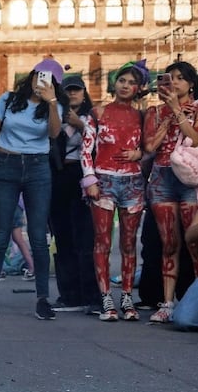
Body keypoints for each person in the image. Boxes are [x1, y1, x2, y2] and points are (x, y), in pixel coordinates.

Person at [0, 58, 65, 320]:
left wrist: (51, 102)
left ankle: (42, 300)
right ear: (32, 75)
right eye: (39, 75)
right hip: (6, 163)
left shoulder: (52, 106)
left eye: (48, 79)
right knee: (1, 234)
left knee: (38, 235)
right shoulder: (8, 99)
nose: (41, 81)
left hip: (37, 167)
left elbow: (54, 134)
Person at [80, 61, 148, 321]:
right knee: (103, 241)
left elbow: (150, 145)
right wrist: (90, 179)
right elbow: (85, 150)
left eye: (132, 82)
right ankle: (106, 297)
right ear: (114, 83)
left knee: (129, 243)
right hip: (104, 181)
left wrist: (140, 153)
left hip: (133, 182)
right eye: (122, 80)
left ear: (138, 88)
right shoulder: (97, 113)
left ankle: (127, 297)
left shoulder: (142, 115)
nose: (126, 86)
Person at [142, 60, 198, 323]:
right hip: (162, 178)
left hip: (188, 178)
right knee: (169, 243)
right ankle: (166, 303)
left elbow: (196, 138)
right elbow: (150, 146)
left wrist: (177, 110)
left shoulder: (196, 110)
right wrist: (168, 114)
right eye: (169, 77)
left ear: (191, 83)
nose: (174, 82)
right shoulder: (154, 112)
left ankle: (192, 301)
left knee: (193, 241)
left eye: (180, 78)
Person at [49, 74, 98, 313]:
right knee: (63, 235)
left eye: (77, 90)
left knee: (85, 236)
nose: (73, 94)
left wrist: (81, 125)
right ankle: (68, 294)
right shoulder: (55, 115)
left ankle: (90, 293)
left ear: (84, 92)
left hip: (84, 174)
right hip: (60, 174)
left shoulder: (94, 116)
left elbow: (105, 142)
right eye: (69, 90)